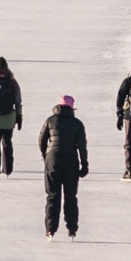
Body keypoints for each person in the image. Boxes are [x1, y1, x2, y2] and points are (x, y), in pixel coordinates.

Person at [39, 95, 90, 240]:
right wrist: (84, 164)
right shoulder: (77, 124)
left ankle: (50, 230)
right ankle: (72, 229)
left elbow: (41, 140)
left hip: (52, 159)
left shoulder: (50, 120)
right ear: (72, 108)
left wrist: (46, 156)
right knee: (70, 197)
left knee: (52, 195)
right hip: (70, 161)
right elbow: (82, 146)